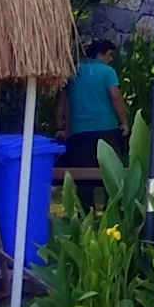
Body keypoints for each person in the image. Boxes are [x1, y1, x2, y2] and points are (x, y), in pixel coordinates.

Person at [58, 40, 130, 201]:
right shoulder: (108, 71)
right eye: (109, 55)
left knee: (83, 177)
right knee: (112, 174)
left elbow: (63, 101)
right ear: (100, 54)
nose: (111, 59)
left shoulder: (73, 71)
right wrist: (124, 122)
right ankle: (112, 208)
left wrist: (61, 126)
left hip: (79, 131)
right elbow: (115, 96)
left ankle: (85, 212)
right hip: (106, 129)